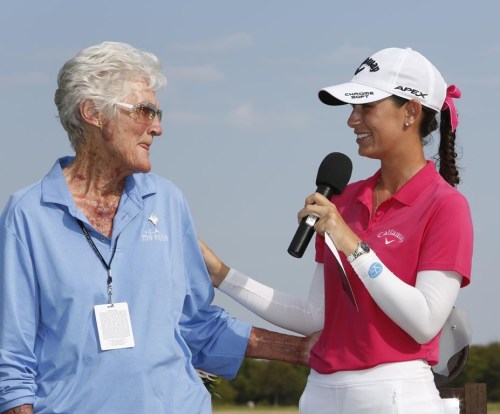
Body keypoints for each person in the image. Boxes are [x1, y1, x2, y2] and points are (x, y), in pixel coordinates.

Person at [0, 41, 314, 414]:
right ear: (93, 113)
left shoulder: (166, 202)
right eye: (144, 111)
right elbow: (12, 360)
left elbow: (197, 326)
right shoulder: (28, 214)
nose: (158, 128)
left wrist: (301, 350)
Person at [200, 47, 473, 413]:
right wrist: (223, 276)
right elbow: (317, 316)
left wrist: (351, 244)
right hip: (321, 392)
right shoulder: (343, 202)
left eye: (365, 108)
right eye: (351, 109)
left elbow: (424, 322)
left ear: (410, 111)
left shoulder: (446, 206)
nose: (352, 121)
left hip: (396, 393)